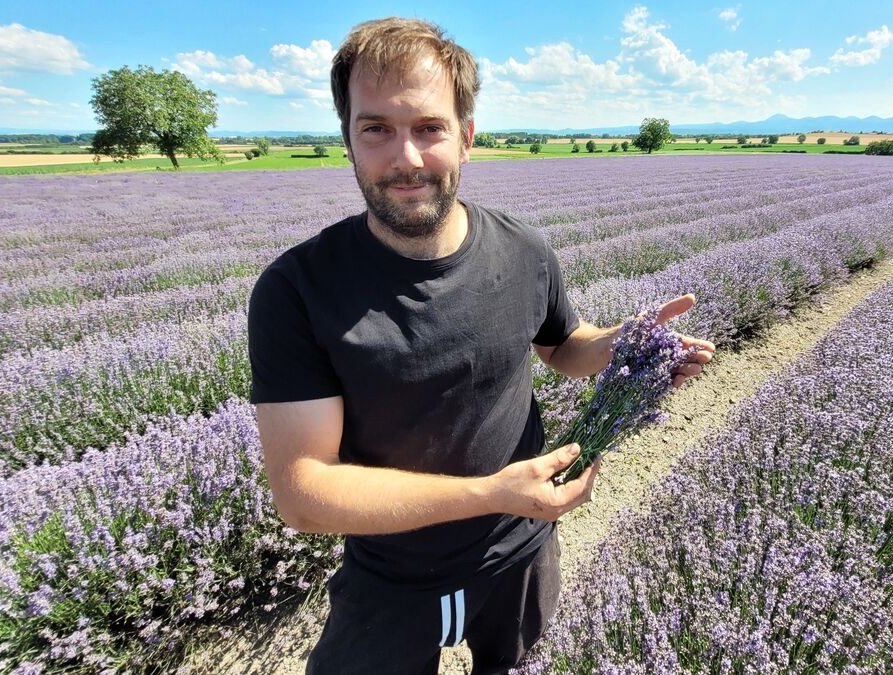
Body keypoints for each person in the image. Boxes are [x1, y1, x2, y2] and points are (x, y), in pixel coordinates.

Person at [246, 16, 715, 675]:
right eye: (375, 128)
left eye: (428, 128)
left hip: (524, 554)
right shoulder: (296, 290)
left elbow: (562, 346)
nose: (405, 157)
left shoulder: (523, 249)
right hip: (395, 581)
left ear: (466, 138)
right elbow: (302, 491)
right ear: (348, 141)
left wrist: (626, 343)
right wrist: (492, 493)